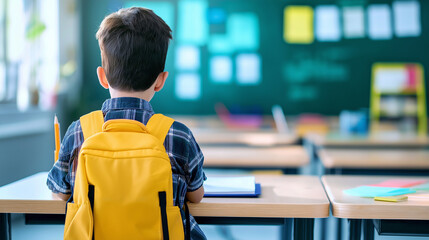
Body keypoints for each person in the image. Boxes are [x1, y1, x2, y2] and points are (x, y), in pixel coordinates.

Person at [46, 7, 206, 239]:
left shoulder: (79, 131)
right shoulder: (178, 135)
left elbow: (58, 194)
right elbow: (196, 196)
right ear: (161, 80)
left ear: (102, 77)